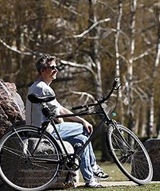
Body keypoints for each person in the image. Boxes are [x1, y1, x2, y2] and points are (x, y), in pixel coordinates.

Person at [26, 55, 108, 188]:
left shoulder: (36, 86)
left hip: (38, 130)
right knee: (83, 129)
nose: (56, 70)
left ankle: (90, 180)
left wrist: (80, 120)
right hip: (45, 131)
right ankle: (93, 166)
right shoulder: (43, 88)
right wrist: (82, 123)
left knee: (82, 139)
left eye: (56, 67)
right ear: (42, 71)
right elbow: (59, 115)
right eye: (52, 67)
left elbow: (59, 109)